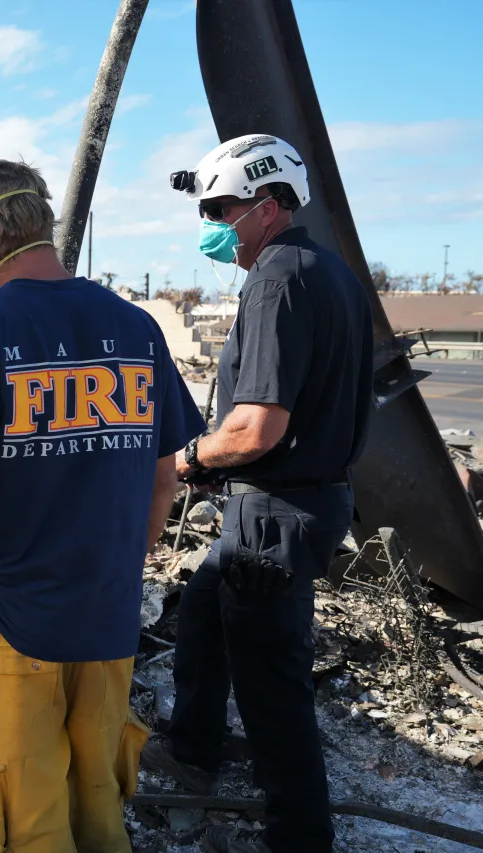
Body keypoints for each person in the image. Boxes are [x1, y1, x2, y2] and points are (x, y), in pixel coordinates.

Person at [0, 159, 206, 853]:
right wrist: (129, 555)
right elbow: (166, 477)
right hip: (108, 615)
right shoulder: (137, 329)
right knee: (99, 800)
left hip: (11, 619)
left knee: (25, 817)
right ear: (48, 226)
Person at [145, 134, 374, 853]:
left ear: (269, 205)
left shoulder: (275, 281)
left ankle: (298, 836)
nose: (212, 223)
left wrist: (189, 457)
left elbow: (256, 425)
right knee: (205, 615)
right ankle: (193, 748)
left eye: (222, 208)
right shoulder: (326, 272)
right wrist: (226, 464)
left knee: (273, 684)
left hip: (276, 514)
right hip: (292, 501)